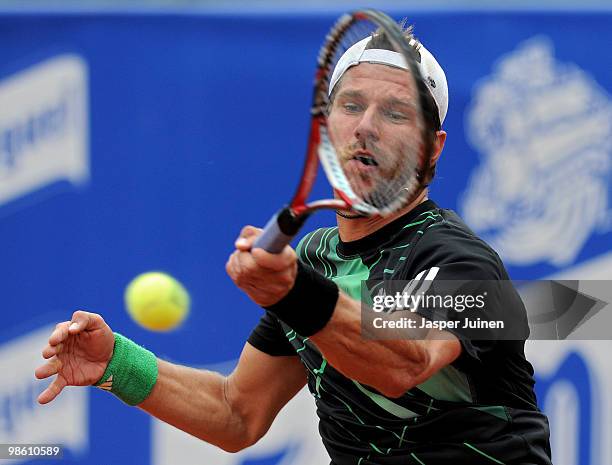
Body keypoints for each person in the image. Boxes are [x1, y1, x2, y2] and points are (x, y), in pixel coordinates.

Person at [35, 26, 553, 464]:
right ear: (327, 128)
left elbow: (406, 364)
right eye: (351, 106)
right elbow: (238, 415)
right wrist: (116, 366)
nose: (366, 128)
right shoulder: (315, 258)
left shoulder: (461, 262)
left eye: (395, 113)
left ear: (432, 146)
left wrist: (292, 293)